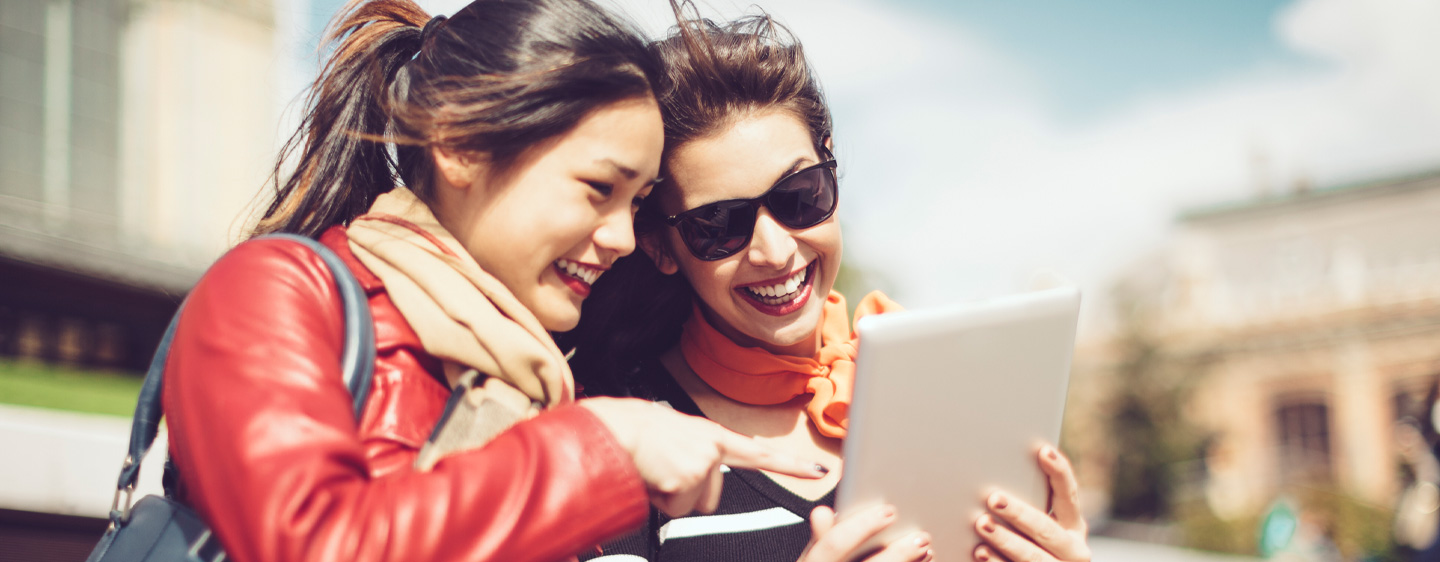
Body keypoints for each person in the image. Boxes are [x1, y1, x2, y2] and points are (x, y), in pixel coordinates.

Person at [160, 1, 826, 561]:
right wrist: (602, 443)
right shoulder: (275, 290)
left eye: (637, 202)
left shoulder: (540, 378)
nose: (623, 238)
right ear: (460, 145)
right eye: (599, 189)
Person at [566, 10, 1092, 562]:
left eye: (799, 195)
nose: (776, 251)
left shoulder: (956, 397)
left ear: (831, 167)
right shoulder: (618, 433)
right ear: (658, 247)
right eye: (718, 226)